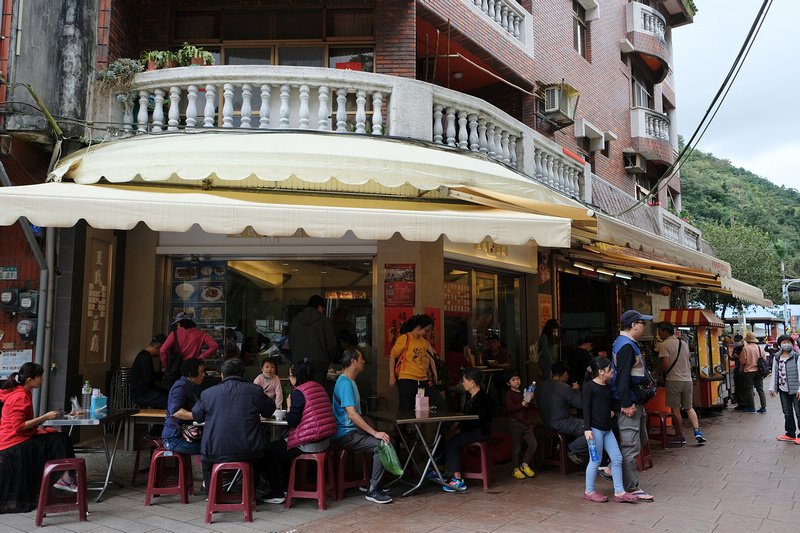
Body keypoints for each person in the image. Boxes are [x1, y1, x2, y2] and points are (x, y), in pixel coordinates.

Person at [0, 363, 77, 512]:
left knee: (60, 438)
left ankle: (64, 477)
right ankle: (64, 478)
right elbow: (19, 426)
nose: (42, 379)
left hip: (18, 438)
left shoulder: (21, 392)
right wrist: (44, 416)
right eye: (39, 376)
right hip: (14, 443)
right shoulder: (20, 396)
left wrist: (44, 419)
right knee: (58, 440)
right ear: (29, 380)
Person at [192, 358, 275, 492]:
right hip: (249, 451)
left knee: (207, 461)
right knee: (260, 457)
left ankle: (211, 493)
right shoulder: (255, 391)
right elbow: (269, 410)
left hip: (214, 450)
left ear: (222, 375)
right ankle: (250, 492)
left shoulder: (208, 394)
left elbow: (197, 416)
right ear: (243, 375)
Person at [262, 359, 337, 504]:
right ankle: (286, 486)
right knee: (281, 448)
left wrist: (289, 407)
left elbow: (292, 421)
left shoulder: (299, 392)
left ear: (297, 375)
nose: (290, 378)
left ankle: (278, 491)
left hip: (309, 443)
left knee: (267, 449)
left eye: (290, 375)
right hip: (324, 441)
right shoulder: (319, 387)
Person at [333, 348, 393, 504]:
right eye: (361, 358)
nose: (364, 361)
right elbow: (352, 415)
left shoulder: (349, 381)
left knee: (385, 439)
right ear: (353, 362)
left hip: (352, 432)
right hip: (346, 434)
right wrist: (374, 433)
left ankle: (374, 482)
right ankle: (373, 489)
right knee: (381, 445)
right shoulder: (345, 383)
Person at [609, 309, 654, 502]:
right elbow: (622, 378)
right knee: (630, 446)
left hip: (635, 401)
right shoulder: (626, 346)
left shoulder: (624, 343)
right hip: (630, 403)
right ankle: (632, 487)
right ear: (633, 325)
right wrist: (626, 404)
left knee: (641, 439)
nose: (645, 326)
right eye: (642, 323)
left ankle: (612, 468)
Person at [582, 356, 637, 503]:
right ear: (600, 371)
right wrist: (587, 428)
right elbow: (586, 409)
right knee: (595, 460)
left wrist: (624, 409)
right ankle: (589, 491)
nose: (612, 371)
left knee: (617, 458)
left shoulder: (606, 386)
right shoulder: (589, 387)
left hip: (606, 429)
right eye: (609, 369)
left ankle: (619, 492)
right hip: (594, 429)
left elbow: (610, 405)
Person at [432, 367, 494, 492]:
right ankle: (441, 470)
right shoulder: (469, 396)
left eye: (464, 380)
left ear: (472, 382)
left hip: (480, 431)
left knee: (452, 443)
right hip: (469, 428)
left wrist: (455, 432)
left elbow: (474, 423)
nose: (462, 383)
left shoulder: (483, 399)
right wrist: (452, 429)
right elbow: (463, 416)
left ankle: (458, 480)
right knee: (443, 435)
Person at [655, 322, 706, 443]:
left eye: (659, 332)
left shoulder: (665, 345)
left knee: (676, 409)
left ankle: (680, 435)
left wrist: (658, 371)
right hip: (687, 380)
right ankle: (697, 430)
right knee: (689, 407)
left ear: (665, 331)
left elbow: (665, 364)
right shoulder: (683, 343)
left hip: (674, 380)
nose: (659, 334)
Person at [388, 314, 446, 412]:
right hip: (407, 378)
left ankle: (443, 426)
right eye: (426, 330)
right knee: (405, 409)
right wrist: (392, 376)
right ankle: (401, 427)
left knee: (441, 405)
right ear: (419, 327)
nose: (426, 333)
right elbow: (393, 356)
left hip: (423, 379)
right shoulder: (405, 338)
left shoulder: (423, 341)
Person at [535, 361, 588, 464]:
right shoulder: (564, 387)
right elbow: (580, 404)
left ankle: (562, 448)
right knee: (593, 429)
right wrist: (576, 390)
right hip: (562, 423)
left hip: (547, 423)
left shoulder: (543, 385)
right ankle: (571, 449)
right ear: (565, 374)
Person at [159, 313, 219, 387]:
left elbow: (163, 350)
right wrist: (201, 357)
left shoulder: (175, 333)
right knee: (193, 389)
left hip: (178, 367)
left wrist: (166, 364)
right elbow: (214, 345)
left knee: (180, 389)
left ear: (178, 324)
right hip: (194, 367)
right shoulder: (200, 333)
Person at [288, 295, 337, 384]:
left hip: (299, 365)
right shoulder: (325, 321)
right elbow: (332, 345)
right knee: (317, 395)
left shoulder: (295, 321)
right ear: (319, 306)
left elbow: (291, 342)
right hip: (319, 366)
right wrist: (327, 360)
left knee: (302, 394)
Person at [162, 358, 205, 457]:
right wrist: (198, 416)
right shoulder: (180, 387)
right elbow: (176, 411)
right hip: (174, 438)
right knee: (211, 447)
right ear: (190, 372)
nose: (203, 375)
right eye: (201, 372)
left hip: (184, 435)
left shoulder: (187, 386)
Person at [504, 369, 536, 479]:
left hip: (525, 422)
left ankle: (525, 464)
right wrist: (522, 403)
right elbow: (511, 408)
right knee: (516, 448)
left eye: (518, 379)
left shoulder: (524, 392)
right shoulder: (509, 394)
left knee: (533, 444)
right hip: (515, 423)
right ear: (508, 383)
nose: (516, 381)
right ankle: (515, 469)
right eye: (513, 380)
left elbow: (530, 408)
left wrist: (529, 400)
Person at [769, 335, 800, 443]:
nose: (786, 344)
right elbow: (774, 373)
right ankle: (790, 433)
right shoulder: (777, 357)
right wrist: (772, 388)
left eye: (788, 341)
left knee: (799, 412)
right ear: (779, 344)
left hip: (796, 390)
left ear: (792, 343)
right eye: (783, 342)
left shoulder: (797, 357)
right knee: (787, 412)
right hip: (783, 390)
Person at [130, 334, 168, 409]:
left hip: (143, 392)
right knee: (170, 402)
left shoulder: (143, 355)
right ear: (158, 347)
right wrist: (162, 373)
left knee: (170, 395)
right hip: (143, 394)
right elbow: (149, 379)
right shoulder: (145, 357)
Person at [740, 331, 767, 413]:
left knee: (749, 389)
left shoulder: (745, 348)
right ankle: (763, 407)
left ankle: (751, 407)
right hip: (759, 371)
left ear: (747, 340)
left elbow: (743, 360)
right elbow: (764, 359)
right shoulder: (760, 348)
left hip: (748, 371)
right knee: (760, 389)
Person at [729, 334, 745, 409]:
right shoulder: (735, 348)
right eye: (735, 341)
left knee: (743, 386)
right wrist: (732, 357)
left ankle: (744, 402)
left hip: (743, 369)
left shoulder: (745, 348)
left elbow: (745, 360)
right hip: (737, 368)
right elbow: (732, 357)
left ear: (742, 341)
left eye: (737, 341)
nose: (736, 342)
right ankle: (740, 403)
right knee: (737, 386)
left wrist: (738, 357)